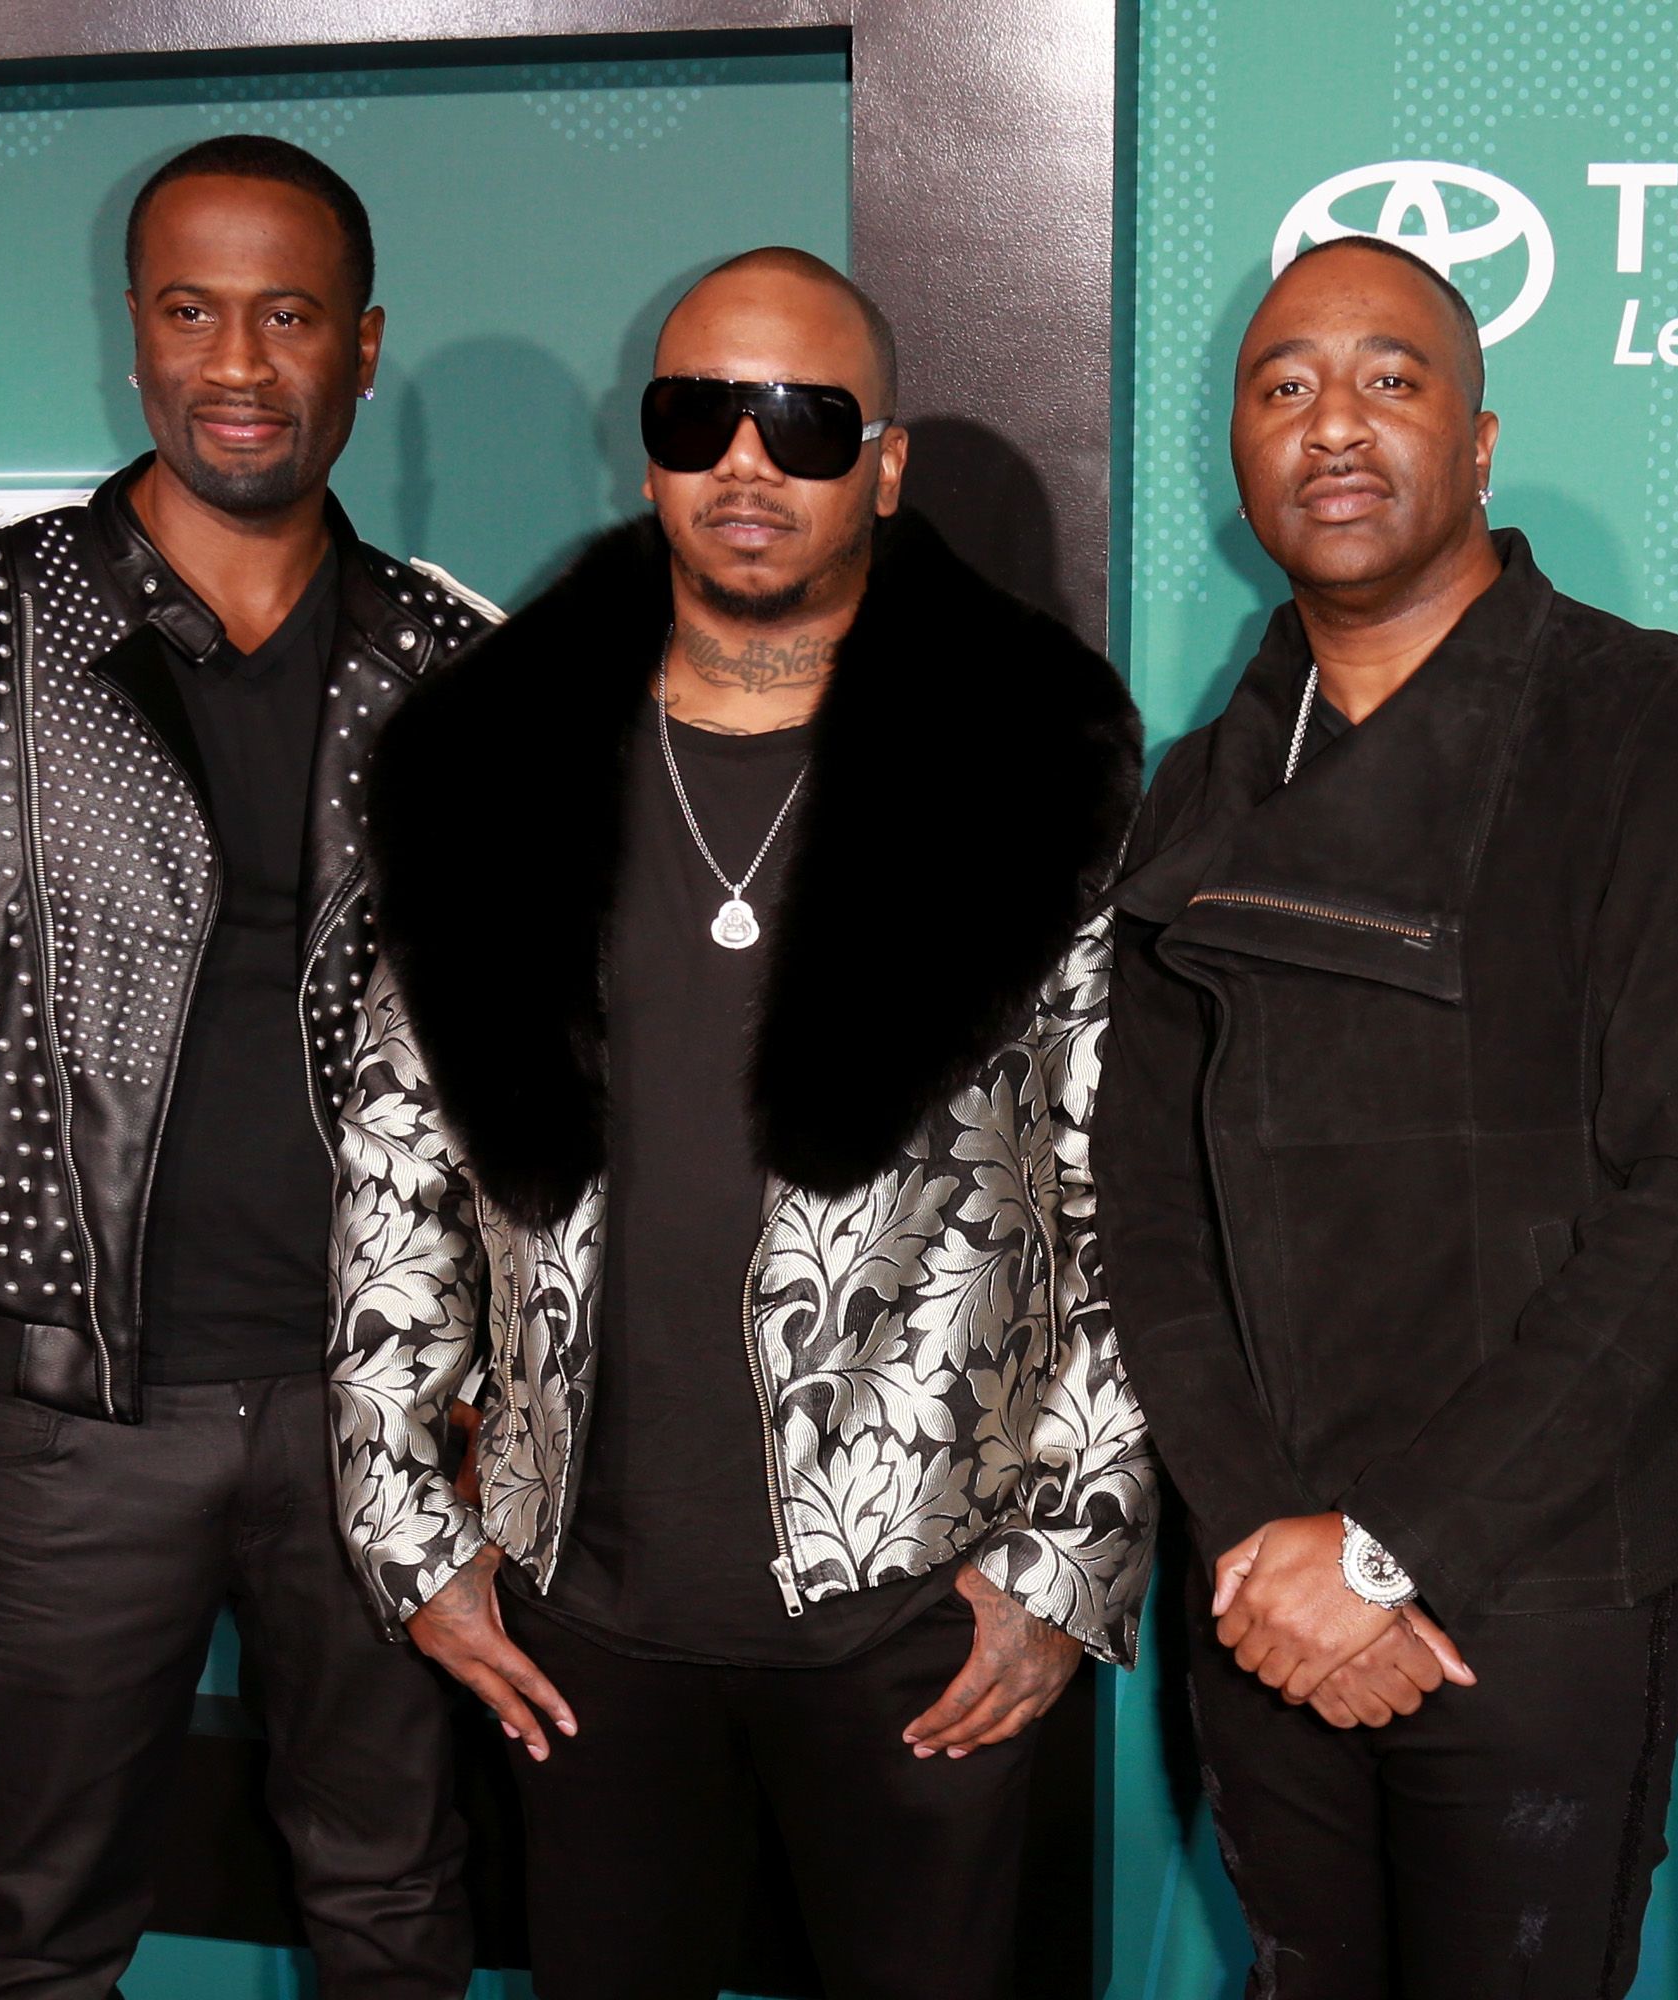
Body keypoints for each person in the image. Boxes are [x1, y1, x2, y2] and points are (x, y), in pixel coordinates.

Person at [329, 246, 1154, 2000]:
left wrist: (1068, 1557)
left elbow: (1127, 1182)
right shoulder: (491, 760)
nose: (746, 462)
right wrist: (408, 1532)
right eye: (697, 415)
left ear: (888, 462)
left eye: (803, 420)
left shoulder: (1029, 761)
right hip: (579, 1608)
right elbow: (401, 1161)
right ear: (649, 451)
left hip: (922, 1605)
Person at [0, 135, 488, 1996]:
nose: (237, 362)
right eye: (190, 311)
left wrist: (499, 1384)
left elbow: (523, 1066)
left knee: (395, 1902)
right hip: (77, 1427)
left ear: (364, 346)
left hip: (377, 1419)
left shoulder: (457, 659)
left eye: (288, 315)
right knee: (41, 1926)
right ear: (136, 333)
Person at [1095, 233, 1678, 1996]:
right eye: (1283, 387)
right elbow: (1147, 1209)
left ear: (1479, 445)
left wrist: (1394, 1551)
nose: (1332, 424)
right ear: (1238, 451)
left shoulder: (1643, 718)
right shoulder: (1202, 785)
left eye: (1389, 380)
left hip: (1534, 1588)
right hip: (1263, 1588)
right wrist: (1267, 1540)